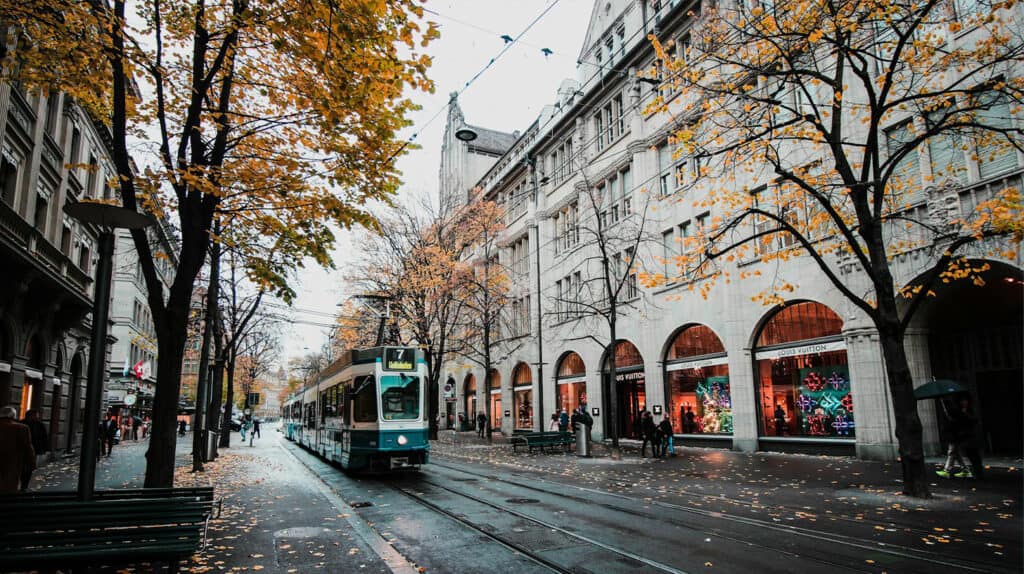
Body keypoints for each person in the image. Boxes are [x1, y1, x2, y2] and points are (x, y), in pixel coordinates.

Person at [937, 395, 981, 479]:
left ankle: (947, 470)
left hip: (961, 435)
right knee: (955, 453)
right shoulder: (957, 410)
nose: (963, 402)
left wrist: (964, 414)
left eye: (965, 401)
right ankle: (965, 470)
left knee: (952, 452)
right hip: (958, 434)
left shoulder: (967, 410)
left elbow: (972, 421)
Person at [0, 406, 36, 493]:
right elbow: (28, 447)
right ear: (14, 416)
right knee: (9, 486)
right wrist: (32, 462)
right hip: (13, 462)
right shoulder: (22, 428)